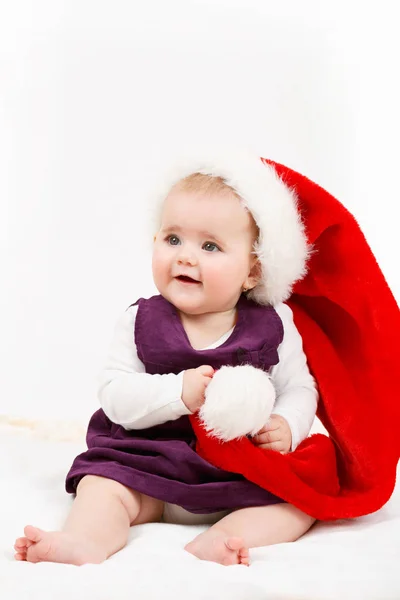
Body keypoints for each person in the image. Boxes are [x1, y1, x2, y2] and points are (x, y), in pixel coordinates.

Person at [14, 151, 319, 566]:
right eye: (173, 239)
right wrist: (179, 391)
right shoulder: (141, 320)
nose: (186, 256)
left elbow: (299, 388)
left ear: (253, 271)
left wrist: (286, 424)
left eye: (210, 245)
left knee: (302, 502)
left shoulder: (274, 323)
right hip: (146, 467)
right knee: (102, 486)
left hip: (236, 472)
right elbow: (114, 394)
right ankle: (86, 541)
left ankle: (225, 537)